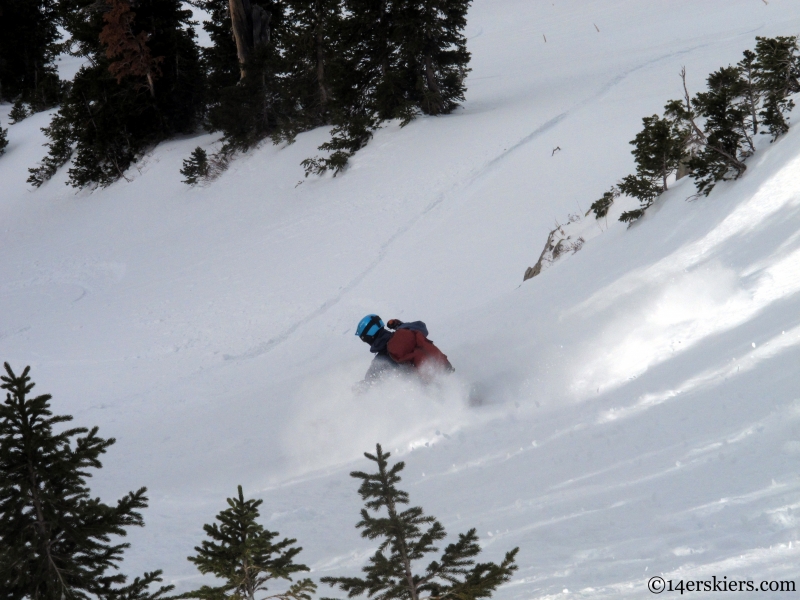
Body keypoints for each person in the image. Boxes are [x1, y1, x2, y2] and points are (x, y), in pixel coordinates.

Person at [354, 314, 454, 389]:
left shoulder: (381, 360)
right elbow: (421, 326)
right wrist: (399, 325)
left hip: (426, 390)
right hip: (444, 372)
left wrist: (359, 388)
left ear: (367, 338)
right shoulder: (406, 332)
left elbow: (369, 383)